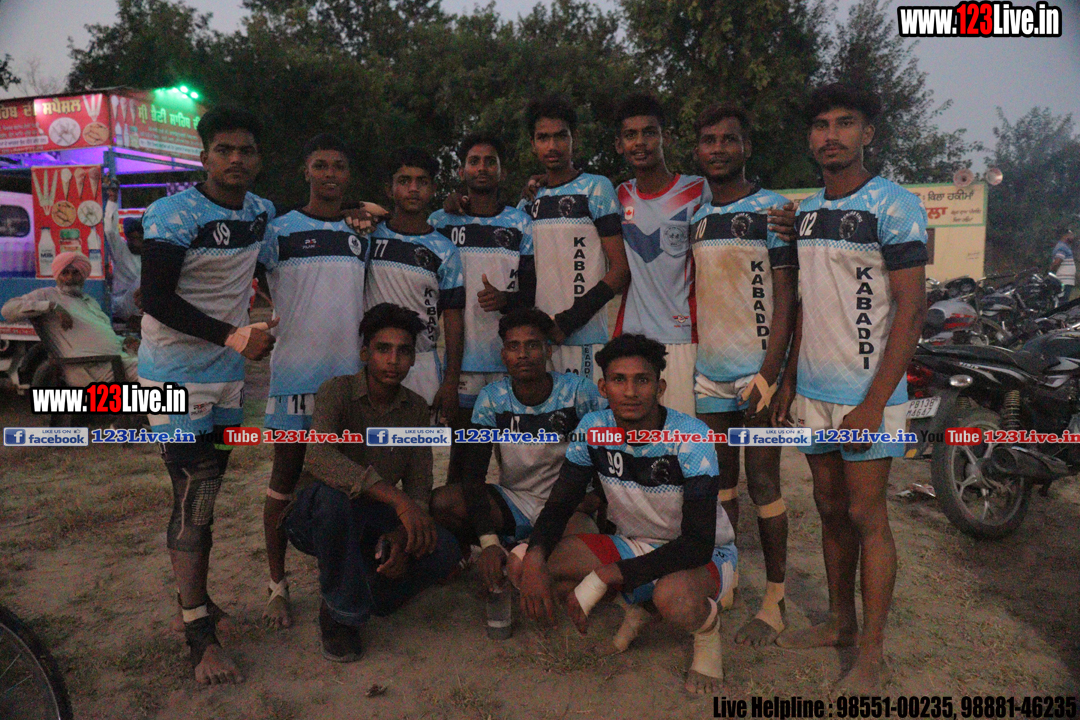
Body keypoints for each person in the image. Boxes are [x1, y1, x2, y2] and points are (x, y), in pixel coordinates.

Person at [773, 84, 928, 692]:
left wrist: (872, 403)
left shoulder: (895, 204)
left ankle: (872, 653)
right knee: (830, 509)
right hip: (814, 392)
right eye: (820, 125)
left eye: (845, 123)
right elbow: (807, 305)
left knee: (867, 515)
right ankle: (840, 624)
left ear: (868, 133)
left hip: (870, 394)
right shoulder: (807, 211)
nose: (830, 135)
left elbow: (911, 310)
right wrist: (788, 381)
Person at [137, 105, 277, 685]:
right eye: (224, 150)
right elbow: (154, 299)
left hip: (226, 379)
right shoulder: (172, 213)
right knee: (195, 491)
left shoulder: (261, 212)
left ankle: (195, 603)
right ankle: (198, 637)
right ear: (204, 157)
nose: (235, 159)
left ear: (258, 159)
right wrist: (234, 335)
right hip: (171, 379)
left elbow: (279, 259)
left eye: (246, 150)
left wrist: (355, 215)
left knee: (208, 491)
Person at [518, 334, 737, 695]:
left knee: (673, 596)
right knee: (529, 564)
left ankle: (707, 631)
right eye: (619, 380)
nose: (631, 391)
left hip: (705, 553)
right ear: (603, 387)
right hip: (635, 543)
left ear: (660, 387)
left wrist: (608, 574)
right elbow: (559, 505)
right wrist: (534, 556)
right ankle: (640, 605)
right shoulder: (593, 429)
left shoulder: (692, 436)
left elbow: (698, 544)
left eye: (642, 380)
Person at [284, 303, 461, 662]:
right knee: (334, 500)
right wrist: (396, 498)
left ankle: (368, 587)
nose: (393, 360)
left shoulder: (415, 408)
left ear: (413, 358)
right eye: (383, 349)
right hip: (317, 517)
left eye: (403, 351)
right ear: (365, 353)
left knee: (444, 548)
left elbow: (419, 484)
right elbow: (318, 456)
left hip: (374, 518)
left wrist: (402, 536)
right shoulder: (336, 391)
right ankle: (339, 616)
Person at [688, 103, 798, 646]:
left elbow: (787, 300)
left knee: (764, 483)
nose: (718, 149)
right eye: (709, 140)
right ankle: (728, 579)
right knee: (721, 484)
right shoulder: (697, 215)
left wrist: (770, 375)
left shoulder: (773, 210)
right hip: (709, 374)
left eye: (728, 139)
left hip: (755, 373)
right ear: (698, 150)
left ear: (746, 147)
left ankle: (776, 597)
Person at [258, 134, 372, 630]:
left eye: (339, 166)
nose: (329, 174)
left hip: (348, 383)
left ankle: (348, 575)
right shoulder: (278, 230)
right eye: (320, 165)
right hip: (294, 380)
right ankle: (277, 586)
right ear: (305, 171)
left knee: (351, 480)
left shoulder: (361, 232)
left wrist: (364, 211)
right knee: (284, 479)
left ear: (348, 175)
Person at [429, 308, 606, 594]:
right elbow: (473, 474)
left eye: (532, 345)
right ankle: (505, 548)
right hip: (515, 501)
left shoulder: (579, 392)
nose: (522, 354)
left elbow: (608, 451)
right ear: (504, 355)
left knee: (574, 564)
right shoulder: (492, 398)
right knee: (442, 502)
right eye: (513, 347)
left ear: (548, 351)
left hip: (566, 505)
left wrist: (594, 498)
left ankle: (523, 552)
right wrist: (488, 543)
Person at [429, 133, 535, 484]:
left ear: (503, 172)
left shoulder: (520, 223)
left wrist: (507, 300)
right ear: (461, 171)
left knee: (516, 462)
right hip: (463, 365)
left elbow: (532, 292)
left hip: (509, 362)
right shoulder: (441, 222)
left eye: (491, 161)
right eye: (474, 161)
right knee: (462, 463)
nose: (482, 168)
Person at [611, 93, 709, 417]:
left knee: (683, 438)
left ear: (665, 137)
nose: (640, 142)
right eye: (631, 135)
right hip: (631, 339)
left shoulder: (698, 191)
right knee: (634, 439)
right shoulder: (619, 195)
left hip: (682, 336)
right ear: (619, 144)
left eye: (649, 132)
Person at [519, 95, 629, 380]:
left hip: (584, 340)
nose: (552, 146)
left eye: (560, 136)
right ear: (532, 143)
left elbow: (620, 270)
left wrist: (568, 321)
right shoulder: (528, 201)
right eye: (543, 138)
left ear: (574, 138)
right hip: (539, 342)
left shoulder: (596, 188)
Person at [365, 147, 465, 422]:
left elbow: (453, 318)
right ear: (389, 189)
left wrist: (450, 382)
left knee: (419, 445)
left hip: (422, 363)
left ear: (433, 189)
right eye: (404, 181)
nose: (413, 189)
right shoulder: (369, 235)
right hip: (373, 363)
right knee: (373, 443)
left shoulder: (445, 250)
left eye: (422, 181)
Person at [2, 251, 138, 384]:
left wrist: (123, 341)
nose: (70, 278)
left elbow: (97, 334)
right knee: (149, 372)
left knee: (149, 357)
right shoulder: (47, 295)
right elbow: (7, 310)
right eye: (65, 273)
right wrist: (51, 306)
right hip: (92, 370)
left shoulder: (89, 301)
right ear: (57, 276)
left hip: (118, 361)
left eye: (75, 273)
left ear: (83, 276)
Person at [102, 181, 143, 322]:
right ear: (127, 238)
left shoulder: (150, 252)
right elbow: (109, 230)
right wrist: (112, 200)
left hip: (142, 303)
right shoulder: (121, 249)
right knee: (144, 280)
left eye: (140, 239)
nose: (136, 243)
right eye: (133, 239)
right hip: (122, 302)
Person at [1050, 226, 1076, 303]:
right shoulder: (1062, 247)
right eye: (1070, 235)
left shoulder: (1064, 247)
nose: (1072, 237)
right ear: (1065, 236)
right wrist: (1052, 274)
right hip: (1063, 281)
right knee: (1062, 303)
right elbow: (1057, 263)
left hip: (1064, 281)